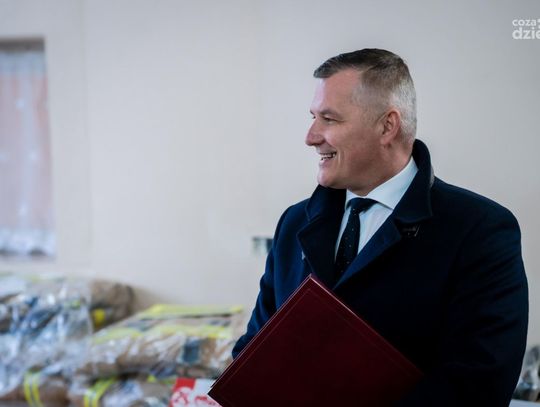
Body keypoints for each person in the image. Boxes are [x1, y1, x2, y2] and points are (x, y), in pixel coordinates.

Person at [232, 49, 528, 406]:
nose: (311, 137)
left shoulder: (480, 231)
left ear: (388, 126)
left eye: (329, 119)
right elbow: (253, 353)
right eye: (313, 117)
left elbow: (478, 385)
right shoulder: (294, 224)